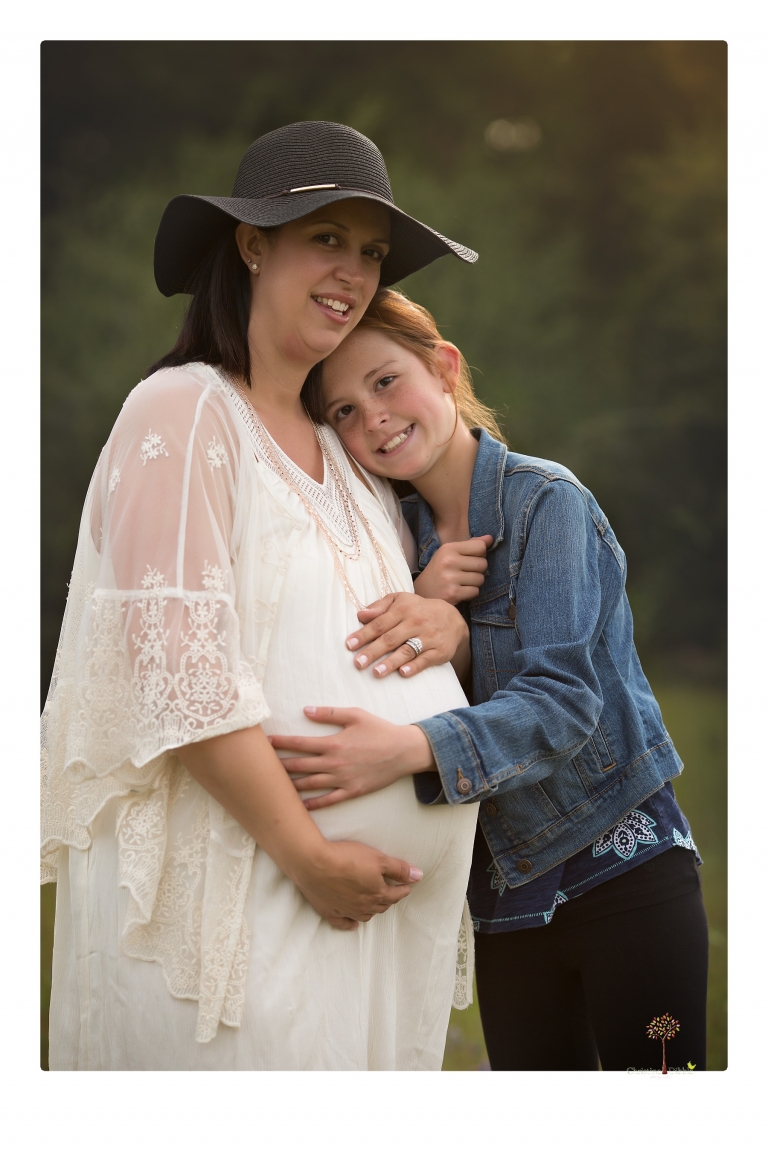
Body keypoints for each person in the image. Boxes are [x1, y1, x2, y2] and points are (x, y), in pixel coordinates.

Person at [40, 123, 483, 1071]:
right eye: (327, 238)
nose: (354, 272)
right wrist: (308, 852)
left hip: (355, 922)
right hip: (242, 897)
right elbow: (178, 668)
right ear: (252, 244)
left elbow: (377, 630)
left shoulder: (349, 453)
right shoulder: (186, 408)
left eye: (370, 253)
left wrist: (443, 620)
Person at [271, 288, 710, 1072]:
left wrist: (407, 750)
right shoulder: (382, 538)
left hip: (622, 870)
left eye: (383, 382)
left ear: (443, 368)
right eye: (340, 410)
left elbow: (562, 701)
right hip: (504, 902)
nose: (369, 416)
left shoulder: (547, 504)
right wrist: (432, 606)